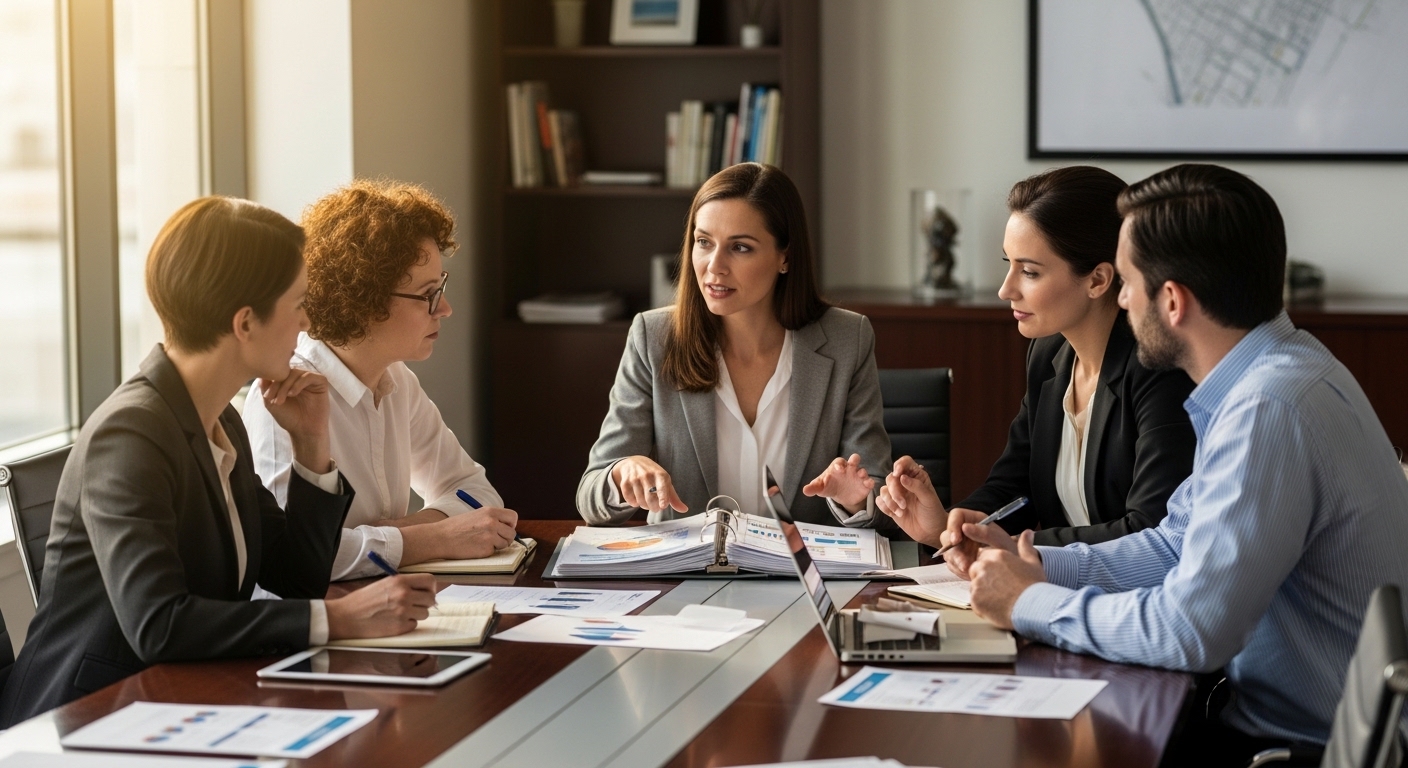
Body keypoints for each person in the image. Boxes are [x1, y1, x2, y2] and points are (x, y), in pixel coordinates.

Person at [889, 164, 1408, 764]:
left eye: (1128, 281)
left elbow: (1191, 631)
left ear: (1172, 301)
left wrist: (1028, 603)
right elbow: (1172, 545)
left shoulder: (1268, 408)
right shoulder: (1277, 370)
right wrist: (1018, 562)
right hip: (1268, 726)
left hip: (1289, 748)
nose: (1123, 297)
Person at [0, 197, 438, 727]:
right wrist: (337, 619)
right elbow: (158, 624)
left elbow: (296, 577)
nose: (307, 321)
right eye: (297, 303)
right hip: (86, 715)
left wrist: (311, 446)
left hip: (181, 698)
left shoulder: (221, 421)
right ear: (245, 323)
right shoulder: (131, 433)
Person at [882, 166, 1196, 548]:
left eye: (1029, 271)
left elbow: (1150, 530)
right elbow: (1015, 487)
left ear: (1098, 279)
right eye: (1008, 265)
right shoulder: (1049, 354)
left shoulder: (1160, 369)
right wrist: (953, 525)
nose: (1005, 290)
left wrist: (1012, 549)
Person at [577, 162, 890, 526]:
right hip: (687, 575)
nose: (714, 266)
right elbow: (590, 495)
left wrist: (855, 501)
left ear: (785, 257)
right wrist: (622, 473)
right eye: (704, 242)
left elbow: (878, 497)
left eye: (740, 247)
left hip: (797, 574)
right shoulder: (654, 336)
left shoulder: (846, 339)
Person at [243, 180, 517, 581]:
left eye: (441, 288)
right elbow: (295, 559)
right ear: (363, 299)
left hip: (384, 603)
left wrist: (393, 533)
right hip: (311, 627)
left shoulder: (396, 381)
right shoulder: (284, 399)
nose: (445, 308)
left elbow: (474, 490)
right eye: (428, 293)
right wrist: (435, 537)